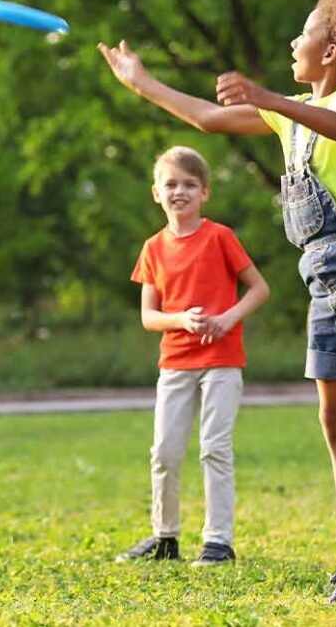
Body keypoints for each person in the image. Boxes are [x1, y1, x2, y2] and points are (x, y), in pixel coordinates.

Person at [99, 0, 336, 602]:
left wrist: (267, 97)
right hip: (320, 281)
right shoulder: (285, 114)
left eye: (305, 32)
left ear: (333, 49)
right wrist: (139, 82)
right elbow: (205, 117)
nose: (293, 41)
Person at [115, 147, 269, 567]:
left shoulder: (220, 237)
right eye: (171, 184)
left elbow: (259, 289)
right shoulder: (152, 248)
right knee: (164, 451)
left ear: (205, 193)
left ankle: (218, 542)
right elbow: (149, 316)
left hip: (222, 360)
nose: (179, 191)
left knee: (214, 448)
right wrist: (181, 318)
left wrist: (227, 318)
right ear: (156, 193)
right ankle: (165, 537)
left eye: (189, 184)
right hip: (175, 364)